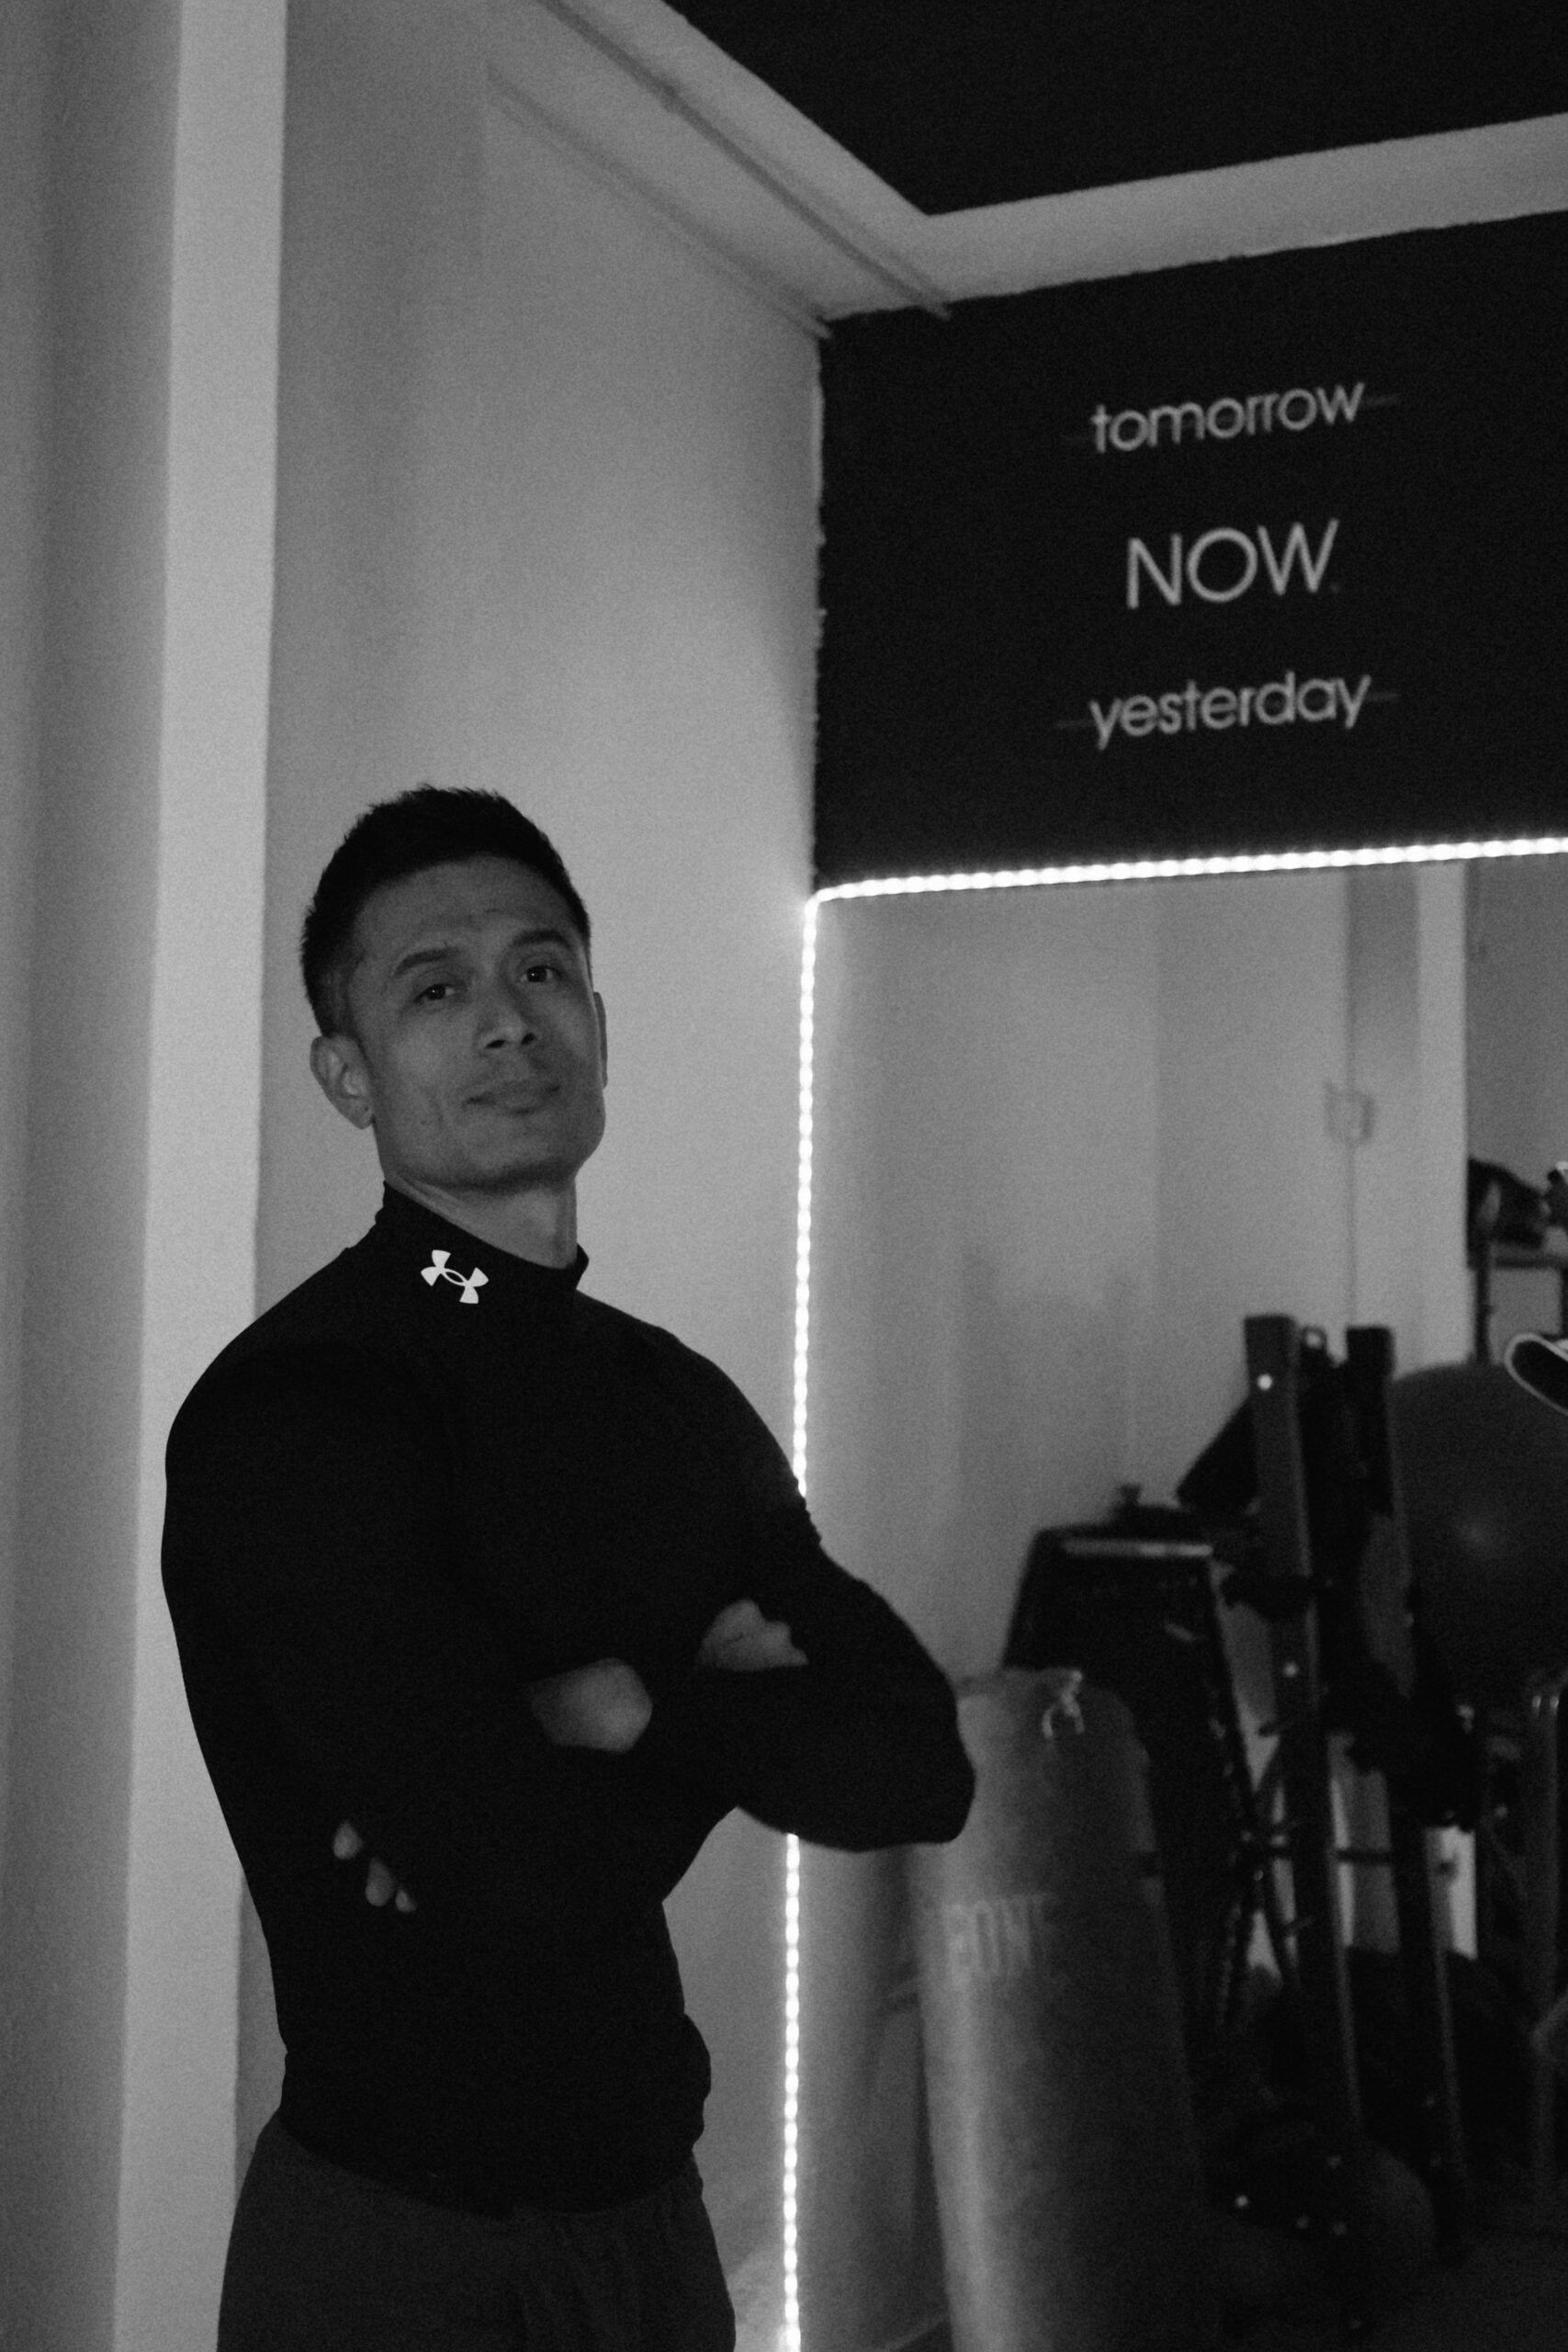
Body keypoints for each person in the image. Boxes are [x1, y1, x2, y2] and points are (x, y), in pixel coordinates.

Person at [162, 786, 975, 2352]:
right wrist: (713, 1712)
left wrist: (620, 1708)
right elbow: (510, 1876)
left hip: (652, 2238)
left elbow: (913, 1766)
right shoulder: (304, 1406)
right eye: (435, 987)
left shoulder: (673, 1401)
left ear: (599, 1022)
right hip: (401, 2253)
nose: (506, 1020)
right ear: (348, 1075)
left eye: (543, 970)